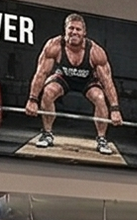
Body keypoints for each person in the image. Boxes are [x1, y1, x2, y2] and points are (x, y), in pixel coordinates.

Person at [29, 14, 122, 155]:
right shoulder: (54, 46)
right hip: (63, 78)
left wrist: (115, 109)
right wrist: (32, 99)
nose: (74, 32)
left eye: (78, 29)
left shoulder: (95, 52)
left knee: (100, 97)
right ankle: (47, 133)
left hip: (87, 81)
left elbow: (107, 82)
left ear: (84, 33)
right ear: (65, 30)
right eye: (71, 28)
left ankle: (102, 139)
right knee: (48, 92)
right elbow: (41, 74)